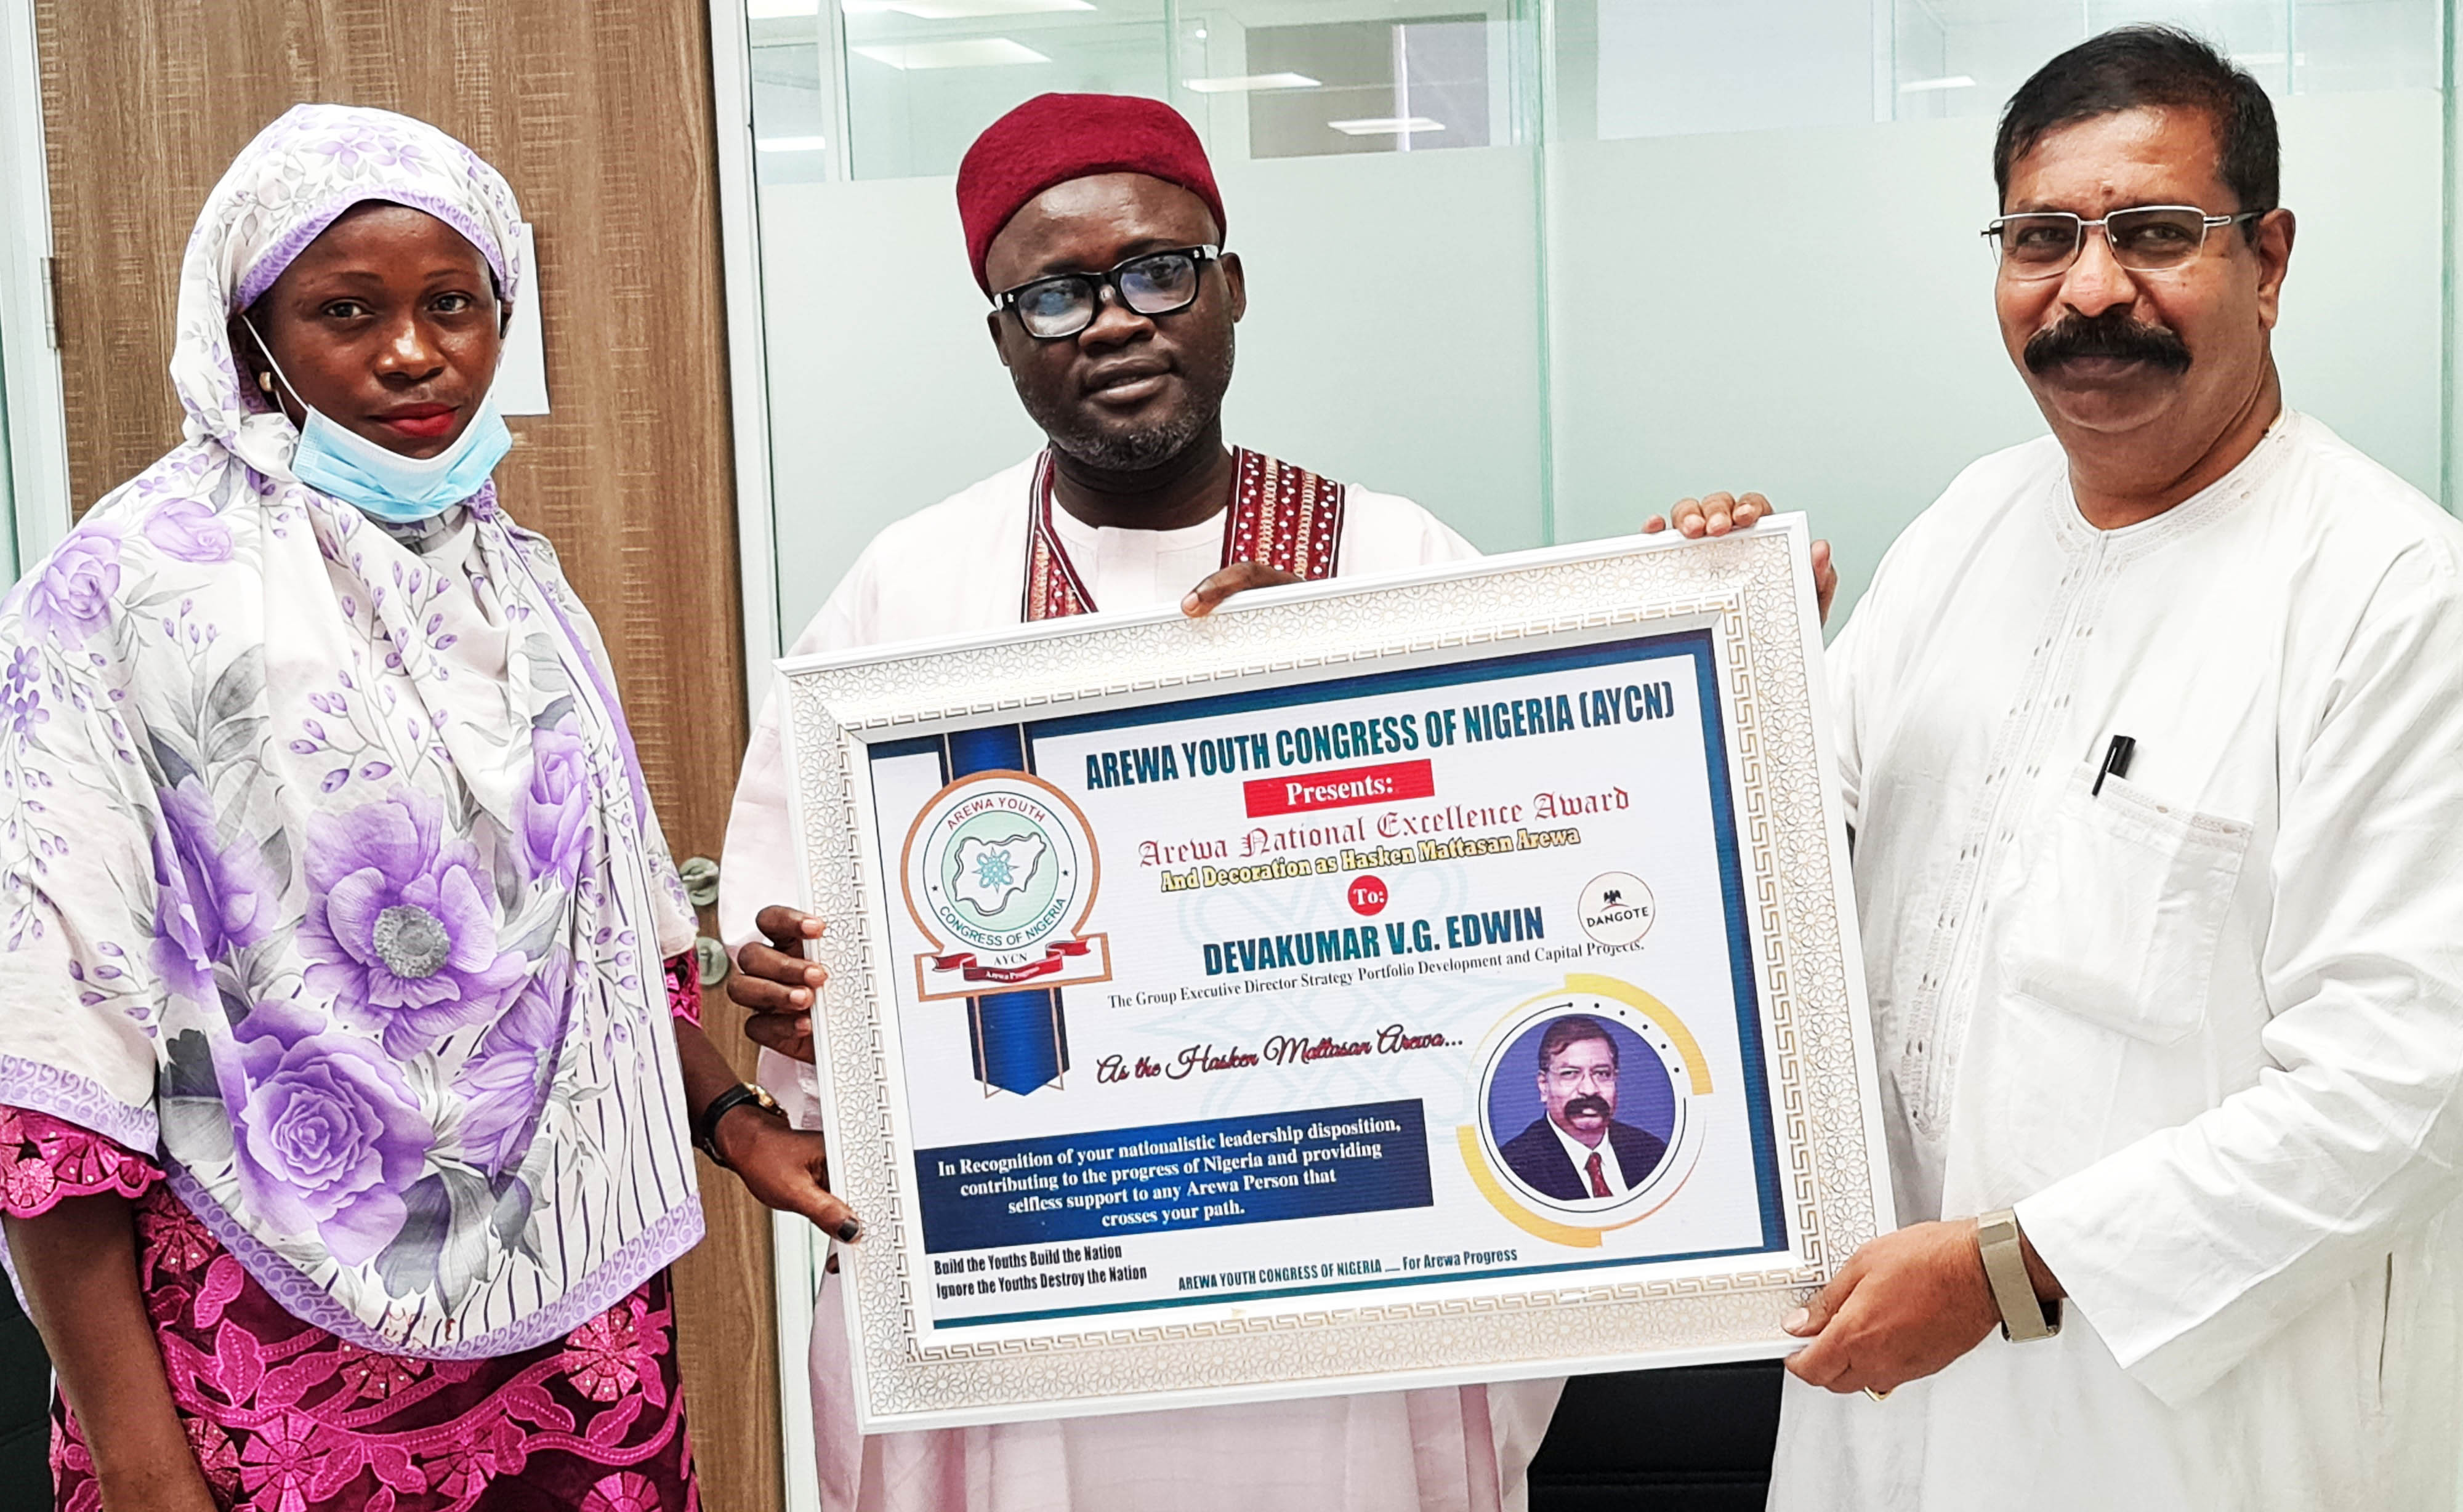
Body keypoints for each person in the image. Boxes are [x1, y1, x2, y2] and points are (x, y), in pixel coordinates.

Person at [720, 91, 1818, 1512]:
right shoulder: (910, 592)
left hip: (1350, 1278)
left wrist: (1718, 644)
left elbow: (1573, 872)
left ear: (1229, 286)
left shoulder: (1392, 562)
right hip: (1041, 1286)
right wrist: (798, 981)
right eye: (1053, 295)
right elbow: (789, 920)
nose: (1111, 323)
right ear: (1001, 337)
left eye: (1155, 272)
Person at [1655, 28, 2463, 1509]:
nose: (2088, 291)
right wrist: (1702, 664)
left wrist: (2003, 1270)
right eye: (2040, 239)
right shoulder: (1963, 528)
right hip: (1886, 1399)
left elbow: (2401, 1091)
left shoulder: (2392, 595)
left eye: (2152, 233)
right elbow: (1775, 874)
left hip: (2191, 1437)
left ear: (2267, 259)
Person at [0, 104, 850, 1512]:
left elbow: (598, 952)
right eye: (348, 310)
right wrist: (144, 1468)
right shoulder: (117, 601)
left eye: (453, 303)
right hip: (257, 1350)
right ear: (250, 335)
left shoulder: (516, 584)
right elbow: (50, 1062)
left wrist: (736, 1121)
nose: (412, 351)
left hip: (572, 1334)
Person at [1496, 1016, 1666, 1202]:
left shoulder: (1652, 1152)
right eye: (1570, 1074)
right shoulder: (1513, 1170)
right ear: (1544, 1086)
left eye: (1602, 1074)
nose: (1589, 1090)